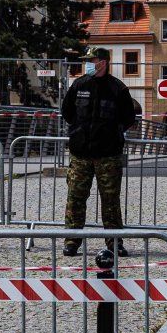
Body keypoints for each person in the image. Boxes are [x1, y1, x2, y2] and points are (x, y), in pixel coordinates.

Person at [59, 47, 140, 257]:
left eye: (91, 60)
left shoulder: (118, 89)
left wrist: (112, 134)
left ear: (102, 62)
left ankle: (114, 242)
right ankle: (72, 241)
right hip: (81, 154)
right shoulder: (79, 85)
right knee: (75, 197)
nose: (87, 63)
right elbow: (67, 111)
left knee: (110, 200)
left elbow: (128, 118)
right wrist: (78, 131)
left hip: (108, 156)